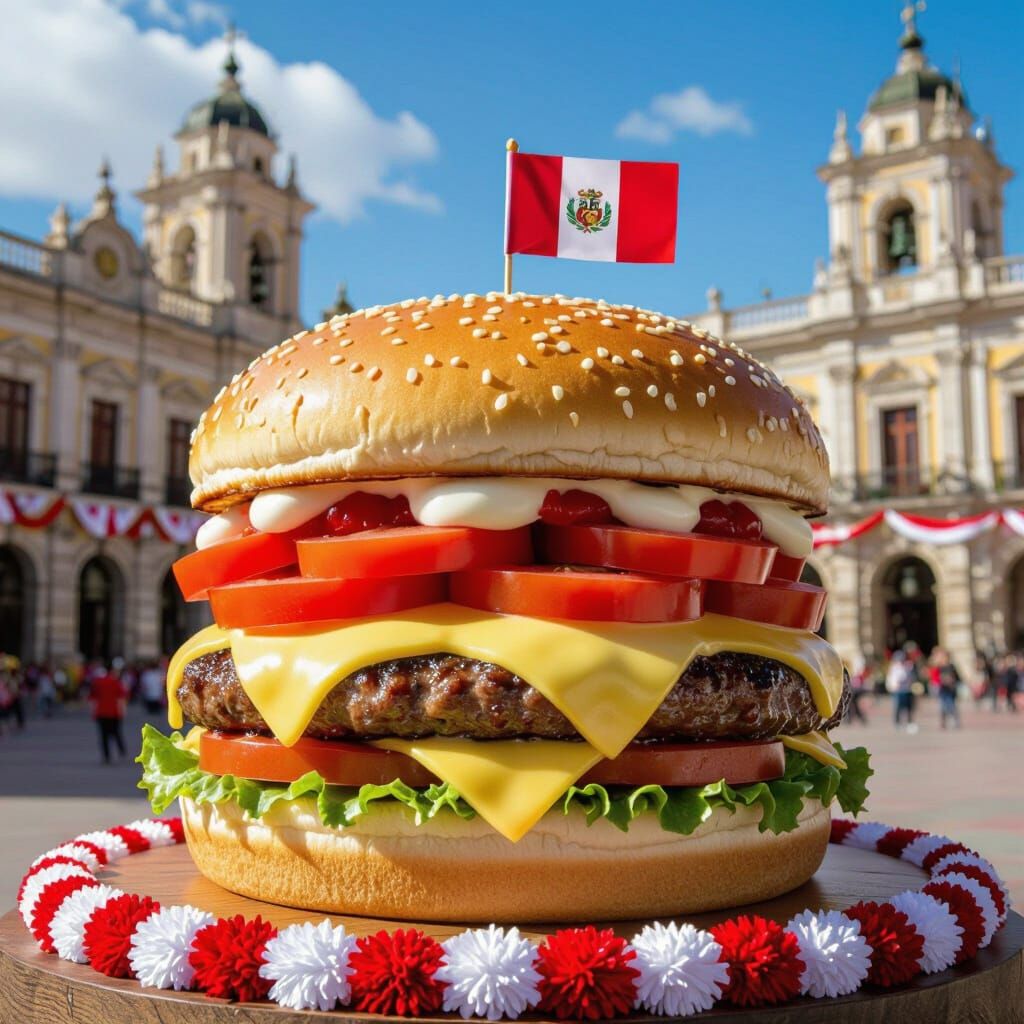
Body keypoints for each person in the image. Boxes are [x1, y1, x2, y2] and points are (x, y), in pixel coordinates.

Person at [88, 665, 127, 763]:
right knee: (116, 732)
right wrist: (122, 711)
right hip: (114, 712)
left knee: (103, 735)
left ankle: (106, 756)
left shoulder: (97, 682)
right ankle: (121, 749)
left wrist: (93, 712)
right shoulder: (115, 682)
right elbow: (121, 699)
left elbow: (93, 699)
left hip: (101, 712)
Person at [886, 650, 917, 732]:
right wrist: (892, 686)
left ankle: (910, 723)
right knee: (898, 707)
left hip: (907, 689)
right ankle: (897, 723)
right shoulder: (894, 667)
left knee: (909, 707)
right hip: (898, 690)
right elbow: (891, 678)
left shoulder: (908, 666)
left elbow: (911, 677)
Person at [934, 649, 962, 729]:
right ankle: (943, 723)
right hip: (942, 689)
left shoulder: (952, 666)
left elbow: (958, 678)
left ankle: (956, 722)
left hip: (950, 689)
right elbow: (934, 678)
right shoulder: (938, 667)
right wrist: (941, 680)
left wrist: (952, 680)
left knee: (952, 706)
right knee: (942, 707)